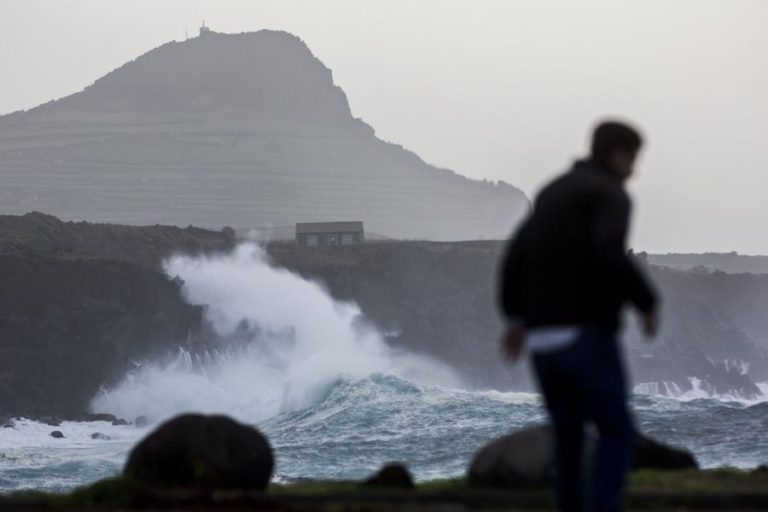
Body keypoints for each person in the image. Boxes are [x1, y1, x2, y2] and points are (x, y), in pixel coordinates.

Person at [498, 120, 659, 512]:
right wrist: (646, 301)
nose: (634, 170)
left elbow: (515, 256)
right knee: (616, 432)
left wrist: (516, 320)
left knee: (568, 438)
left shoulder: (553, 191)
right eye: (633, 159)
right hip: (585, 335)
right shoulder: (611, 194)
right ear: (619, 154)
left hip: (542, 340)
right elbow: (608, 252)